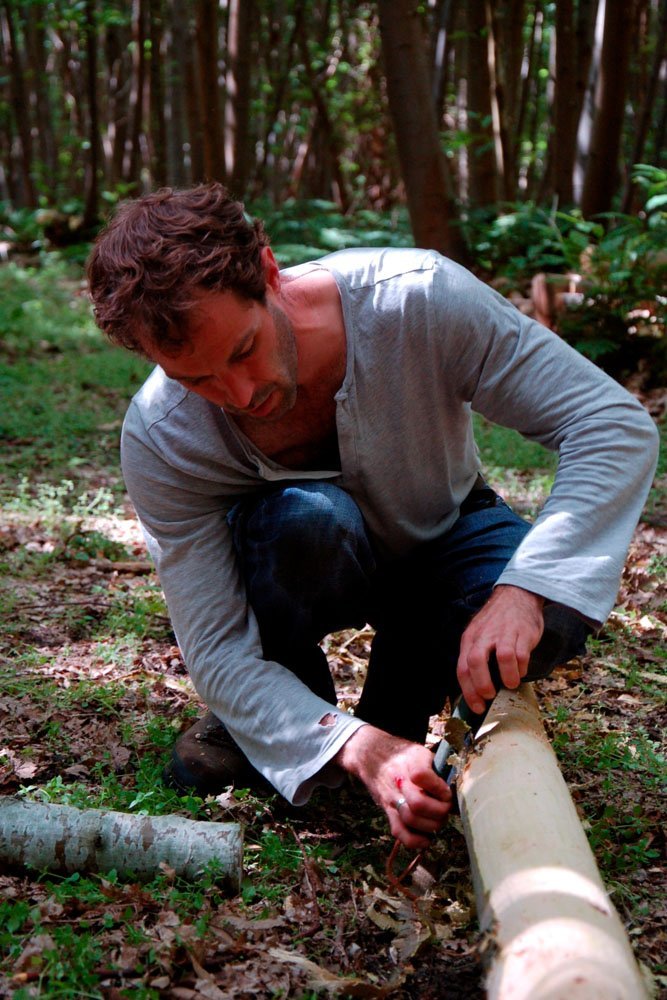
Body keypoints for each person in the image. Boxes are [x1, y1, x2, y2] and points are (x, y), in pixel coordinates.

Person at [87, 184, 659, 849]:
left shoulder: (415, 298)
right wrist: (351, 746)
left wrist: (524, 589)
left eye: (243, 350)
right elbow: (215, 645)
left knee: (548, 616)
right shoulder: (161, 438)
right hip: (296, 564)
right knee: (307, 525)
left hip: (444, 529)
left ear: (269, 274)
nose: (240, 395)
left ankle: (398, 703)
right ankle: (283, 717)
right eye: (196, 380)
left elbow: (609, 423)